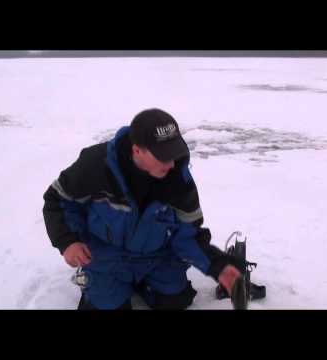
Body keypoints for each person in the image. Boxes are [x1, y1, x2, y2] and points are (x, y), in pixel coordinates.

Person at [42, 108, 245, 310]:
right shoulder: (96, 165)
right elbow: (57, 201)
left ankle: (141, 286)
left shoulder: (178, 178)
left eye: (174, 153)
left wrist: (218, 267)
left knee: (174, 303)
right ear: (137, 150)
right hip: (106, 255)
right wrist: (67, 241)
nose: (172, 163)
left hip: (158, 255)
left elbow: (188, 234)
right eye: (163, 156)